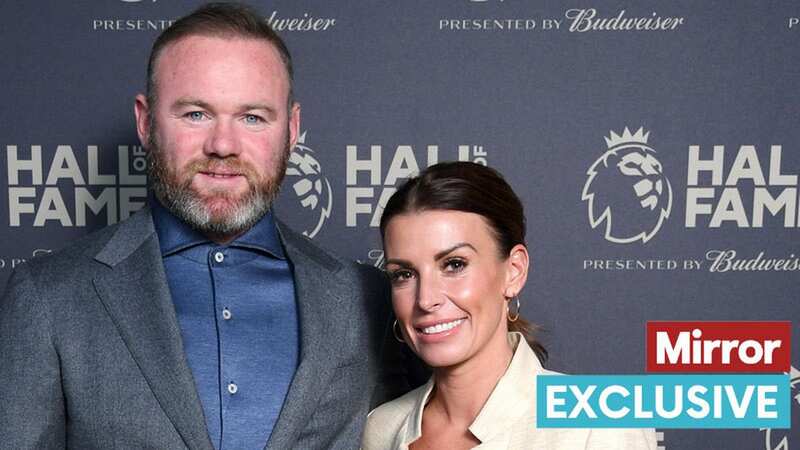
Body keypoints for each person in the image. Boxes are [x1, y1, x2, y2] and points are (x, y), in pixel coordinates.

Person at [0, 3, 413, 449]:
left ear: (291, 128)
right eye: (196, 113)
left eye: (252, 117)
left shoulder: (368, 298)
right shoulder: (47, 297)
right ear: (145, 121)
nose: (223, 145)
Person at [362, 162, 656, 449]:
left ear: (514, 271)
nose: (426, 299)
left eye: (454, 265)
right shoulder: (383, 428)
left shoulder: (599, 425)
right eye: (404, 274)